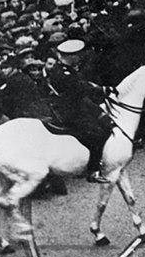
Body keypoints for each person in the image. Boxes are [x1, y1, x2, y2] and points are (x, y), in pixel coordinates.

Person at [44, 39, 113, 183]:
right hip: (70, 111)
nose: (80, 57)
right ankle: (93, 170)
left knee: (106, 122)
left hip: (76, 106)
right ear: (71, 56)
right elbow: (79, 88)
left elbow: (82, 83)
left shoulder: (66, 69)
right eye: (77, 55)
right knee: (97, 135)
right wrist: (101, 89)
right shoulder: (63, 72)